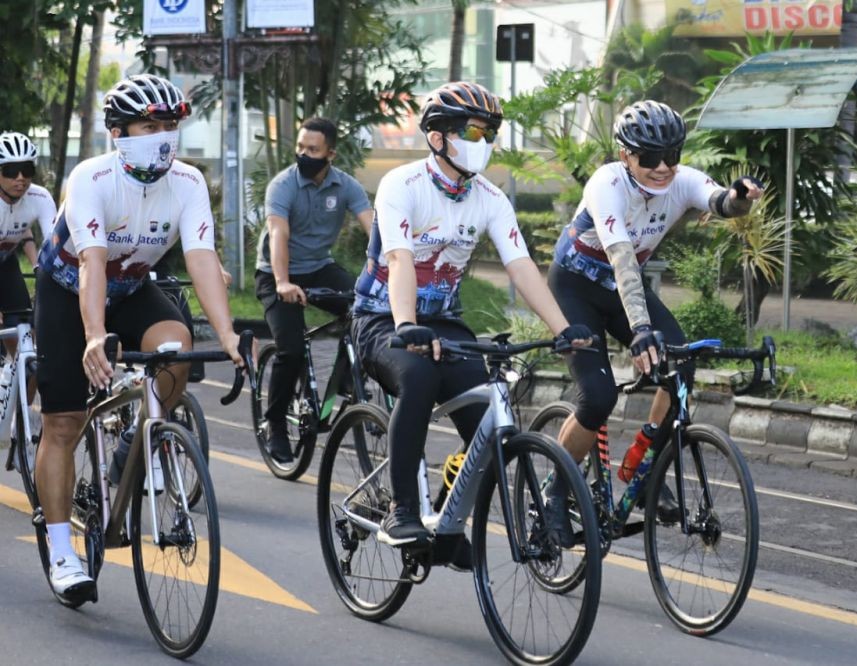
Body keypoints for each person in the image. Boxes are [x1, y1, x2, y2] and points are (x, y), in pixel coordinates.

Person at [352, 81, 593, 557]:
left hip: (443, 323)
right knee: (418, 378)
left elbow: (521, 266)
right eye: (472, 131)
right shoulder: (402, 184)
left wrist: (562, 329)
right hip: (382, 318)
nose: (481, 142)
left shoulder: (489, 198)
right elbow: (399, 261)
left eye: (489, 134)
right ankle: (402, 508)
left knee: (489, 422)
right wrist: (404, 325)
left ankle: (447, 525)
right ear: (438, 137)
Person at [33, 73, 243, 605]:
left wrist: (230, 334)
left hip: (131, 288)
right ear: (119, 133)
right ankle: (62, 551)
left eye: (169, 125)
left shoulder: (188, 183)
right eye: (149, 125)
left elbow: (200, 260)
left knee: (178, 345)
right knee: (63, 421)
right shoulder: (91, 178)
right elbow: (91, 266)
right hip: (68, 290)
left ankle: (137, 439)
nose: (163, 135)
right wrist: (94, 335)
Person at [545, 100, 763, 535]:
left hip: (624, 291)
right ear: (626, 154)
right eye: (649, 158)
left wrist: (740, 196)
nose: (663, 167)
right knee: (598, 395)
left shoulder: (678, 180)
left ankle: (643, 467)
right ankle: (555, 489)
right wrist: (642, 331)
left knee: (680, 364)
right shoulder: (607, 183)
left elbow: (719, 201)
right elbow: (623, 259)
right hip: (576, 288)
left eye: (672, 156)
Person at [254, 117, 374, 463]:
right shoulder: (283, 185)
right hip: (277, 272)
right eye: (301, 148)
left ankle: (347, 381)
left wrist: (387, 270)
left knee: (368, 310)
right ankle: (274, 423)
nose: (304, 155)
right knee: (291, 349)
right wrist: (282, 282)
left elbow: (375, 230)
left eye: (313, 150)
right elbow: (279, 235)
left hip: (319, 267)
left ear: (331, 154)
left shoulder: (346, 186)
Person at [0, 132, 55, 342]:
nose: (21, 178)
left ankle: (17, 371)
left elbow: (54, 247)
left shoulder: (39, 197)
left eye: (27, 170)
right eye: (12, 171)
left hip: (6, 262)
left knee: (23, 328)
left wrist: (42, 271)